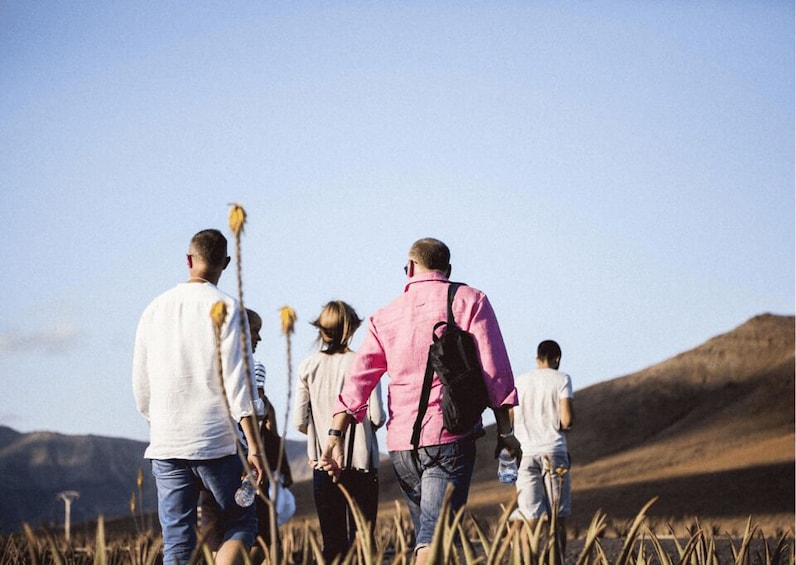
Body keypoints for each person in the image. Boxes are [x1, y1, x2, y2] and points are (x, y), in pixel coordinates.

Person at [319, 238, 520, 565]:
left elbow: (359, 380)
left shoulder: (384, 316)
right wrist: (506, 431)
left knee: (433, 536)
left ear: (410, 269)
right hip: (448, 441)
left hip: (401, 450)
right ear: (448, 269)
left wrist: (335, 436)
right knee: (433, 541)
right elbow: (495, 372)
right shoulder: (469, 301)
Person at [133, 228, 263, 565]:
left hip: (166, 442)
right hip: (215, 442)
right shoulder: (229, 308)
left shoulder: (153, 309)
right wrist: (254, 446)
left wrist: (163, 421)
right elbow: (239, 384)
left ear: (189, 260)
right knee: (241, 521)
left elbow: (141, 390)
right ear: (226, 262)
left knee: (177, 542)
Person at [294, 301, 386, 563]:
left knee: (332, 542)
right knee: (363, 541)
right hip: (362, 465)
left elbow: (299, 421)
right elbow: (377, 416)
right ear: (351, 329)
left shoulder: (307, 367)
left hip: (324, 465)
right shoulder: (363, 363)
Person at [199, 308, 293, 561]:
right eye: (255, 331)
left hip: (209, 447)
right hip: (238, 453)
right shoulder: (254, 366)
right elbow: (253, 406)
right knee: (247, 524)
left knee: (212, 522)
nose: (259, 339)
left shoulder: (210, 364)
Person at [509, 340, 574, 558]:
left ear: (538, 359)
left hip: (525, 454)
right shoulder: (562, 379)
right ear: (557, 359)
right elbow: (566, 419)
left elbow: (510, 418)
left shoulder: (521, 381)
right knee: (557, 518)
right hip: (554, 452)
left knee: (529, 517)